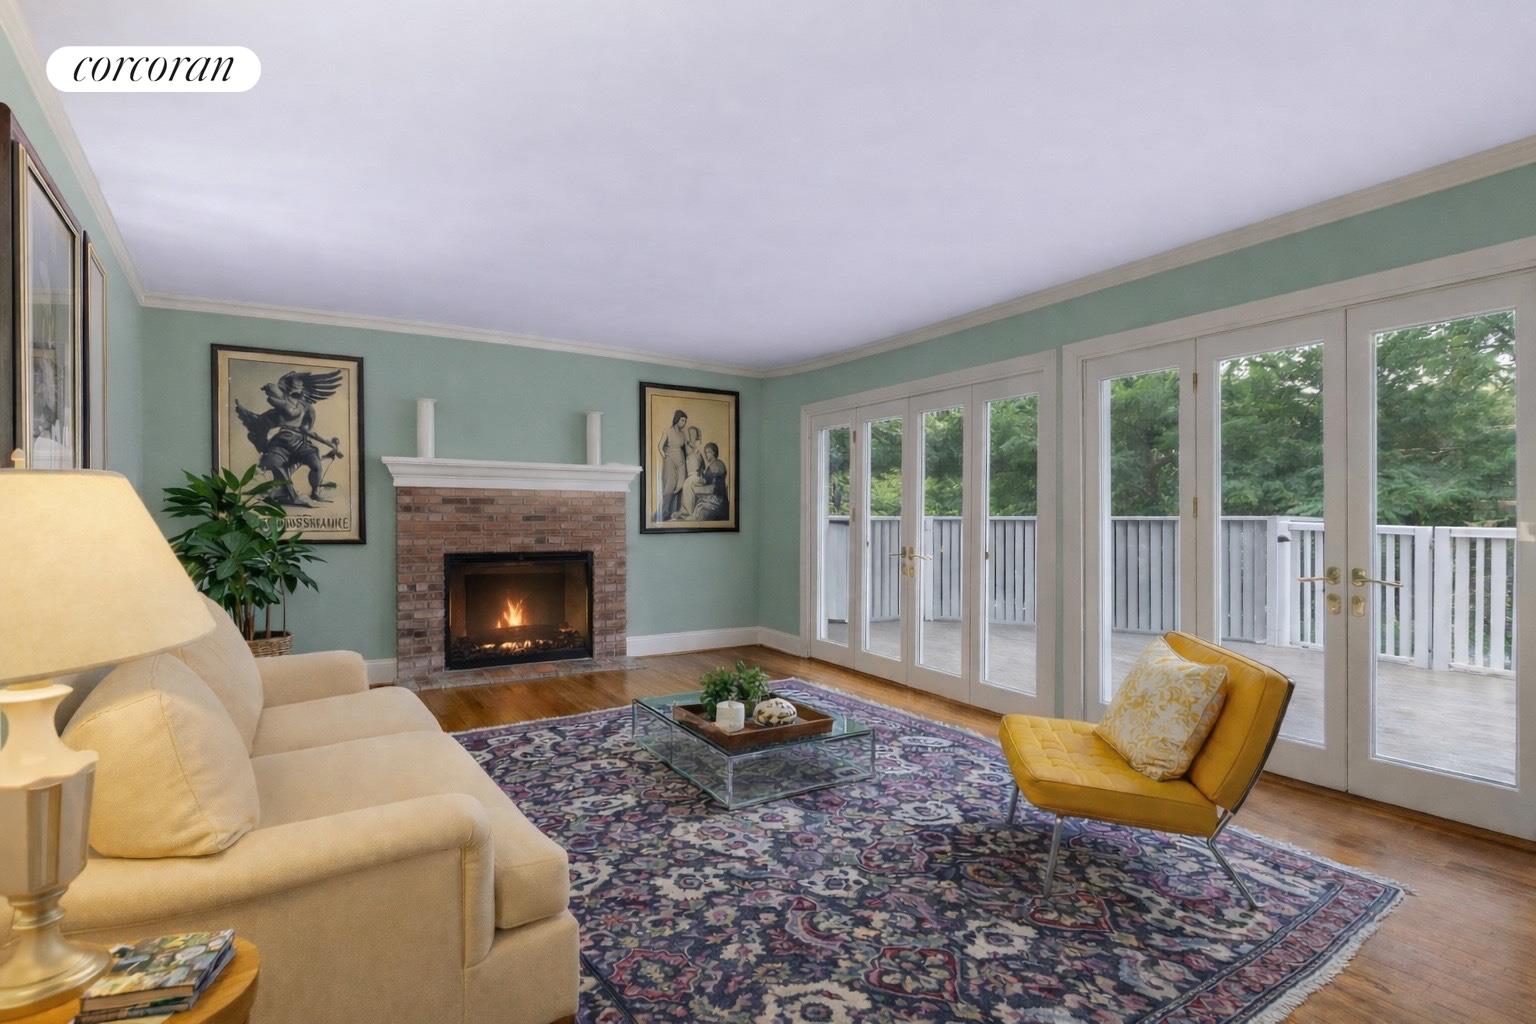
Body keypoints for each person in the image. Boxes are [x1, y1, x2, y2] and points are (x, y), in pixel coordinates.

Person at [681, 442, 729, 521]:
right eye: (705, 453)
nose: (706, 455)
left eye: (708, 452)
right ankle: (687, 512)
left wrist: (697, 489)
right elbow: (706, 480)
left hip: (717, 499)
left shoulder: (718, 464)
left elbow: (713, 487)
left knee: (701, 513)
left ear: (714, 452)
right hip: (711, 497)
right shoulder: (710, 466)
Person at [657, 409, 689, 521]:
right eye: (682, 420)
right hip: (670, 461)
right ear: (677, 419)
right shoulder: (668, 431)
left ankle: (675, 512)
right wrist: (665, 457)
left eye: (685, 421)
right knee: (669, 486)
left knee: (680, 485)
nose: (684, 423)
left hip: (681, 462)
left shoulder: (683, 434)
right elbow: (660, 446)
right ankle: (665, 512)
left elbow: (685, 449)